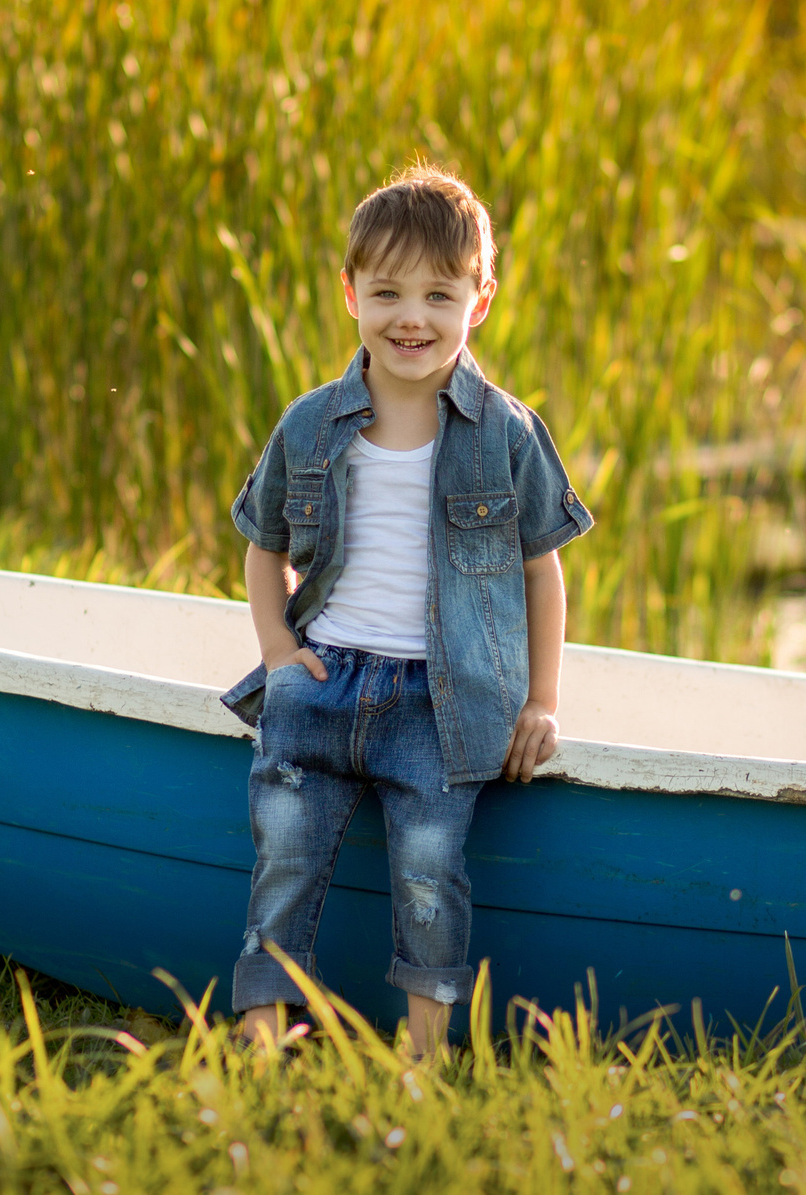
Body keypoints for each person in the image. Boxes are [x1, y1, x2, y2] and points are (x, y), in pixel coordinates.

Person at [219, 162, 593, 1058]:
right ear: (350, 293)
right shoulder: (311, 425)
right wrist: (276, 650)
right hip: (319, 681)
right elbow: (263, 543)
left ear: (481, 299)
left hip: (443, 701)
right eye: (386, 292)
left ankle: (422, 1056)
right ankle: (262, 1038)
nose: (411, 317)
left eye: (438, 293)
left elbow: (544, 571)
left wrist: (540, 700)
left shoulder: (507, 432)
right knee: (284, 857)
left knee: (431, 872)